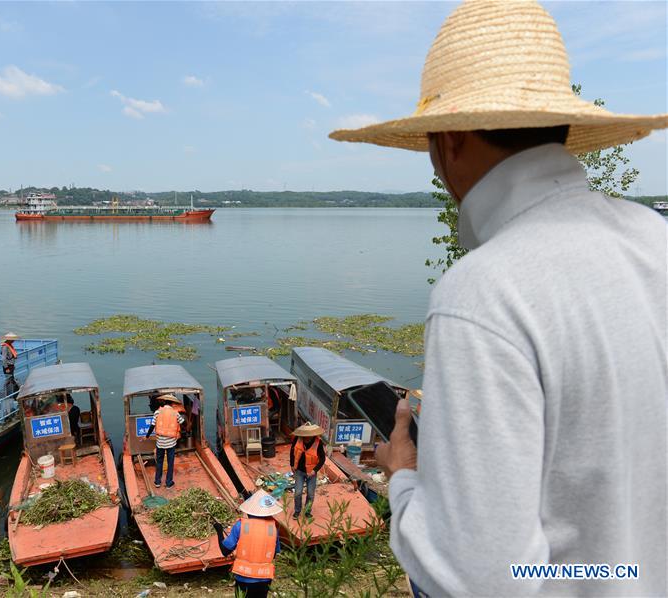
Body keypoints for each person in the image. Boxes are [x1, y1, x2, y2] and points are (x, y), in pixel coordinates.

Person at [329, 2, 667, 595]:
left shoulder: (485, 289)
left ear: (449, 140)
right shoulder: (653, 237)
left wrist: (406, 478)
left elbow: (486, 576)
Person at [214, 489, 282, 598]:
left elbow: (225, 551)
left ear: (249, 509)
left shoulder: (241, 525)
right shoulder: (273, 528)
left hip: (244, 578)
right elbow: (273, 554)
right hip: (264, 579)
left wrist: (219, 531)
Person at [145, 394, 185, 488]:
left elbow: (152, 426)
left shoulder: (157, 412)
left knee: (159, 462)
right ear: (172, 403)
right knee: (170, 463)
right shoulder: (175, 413)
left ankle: (157, 482)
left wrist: (147, 436)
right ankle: (168, 483)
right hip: (171, 443)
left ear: (164, 402)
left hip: (160, 443)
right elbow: (183, 422)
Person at [289, 423, 325, 519]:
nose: (306, 438)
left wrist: (315, 470)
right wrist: (292, 464)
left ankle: (307, 512)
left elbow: (322, 459)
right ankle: (297, 511)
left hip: (311, 473)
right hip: (299, 472)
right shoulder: (297, 439)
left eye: (308, 436)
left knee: (310, 494)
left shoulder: (318, 443)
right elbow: (292, 452)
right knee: (298, 492)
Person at [0, 332, 19, 397]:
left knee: (11, 379)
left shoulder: (10, 346)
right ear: (9, 339)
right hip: (8, 366)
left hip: (11, 366)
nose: (14, 341)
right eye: (12, 339)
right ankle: (6, 394)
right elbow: (3, 359)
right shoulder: (5, 347)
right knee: (8, 380)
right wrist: (6, 368)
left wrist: (12, 365)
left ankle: (11, 394)